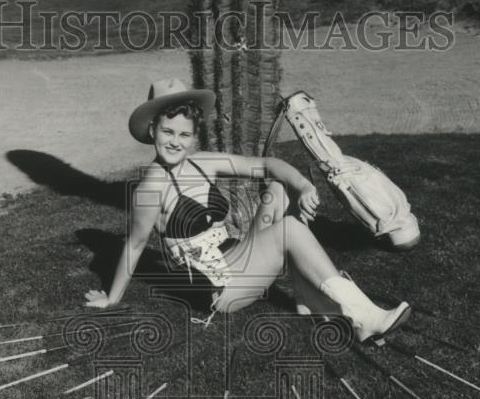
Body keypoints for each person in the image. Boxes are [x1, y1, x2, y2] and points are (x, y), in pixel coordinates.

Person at [83, 78, 411, 341]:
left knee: (278, 189)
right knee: (290, 230)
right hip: (222, 290)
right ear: (152, 130)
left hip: (239, 256)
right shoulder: (150, 188)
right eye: (167, 132)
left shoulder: (202, 163)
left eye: (184, 134)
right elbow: (136, 244)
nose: (175, 142)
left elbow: (266, 164)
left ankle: (308, 296)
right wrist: (112, 298)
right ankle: (364, 318)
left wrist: (304, 186)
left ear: (194, 136)